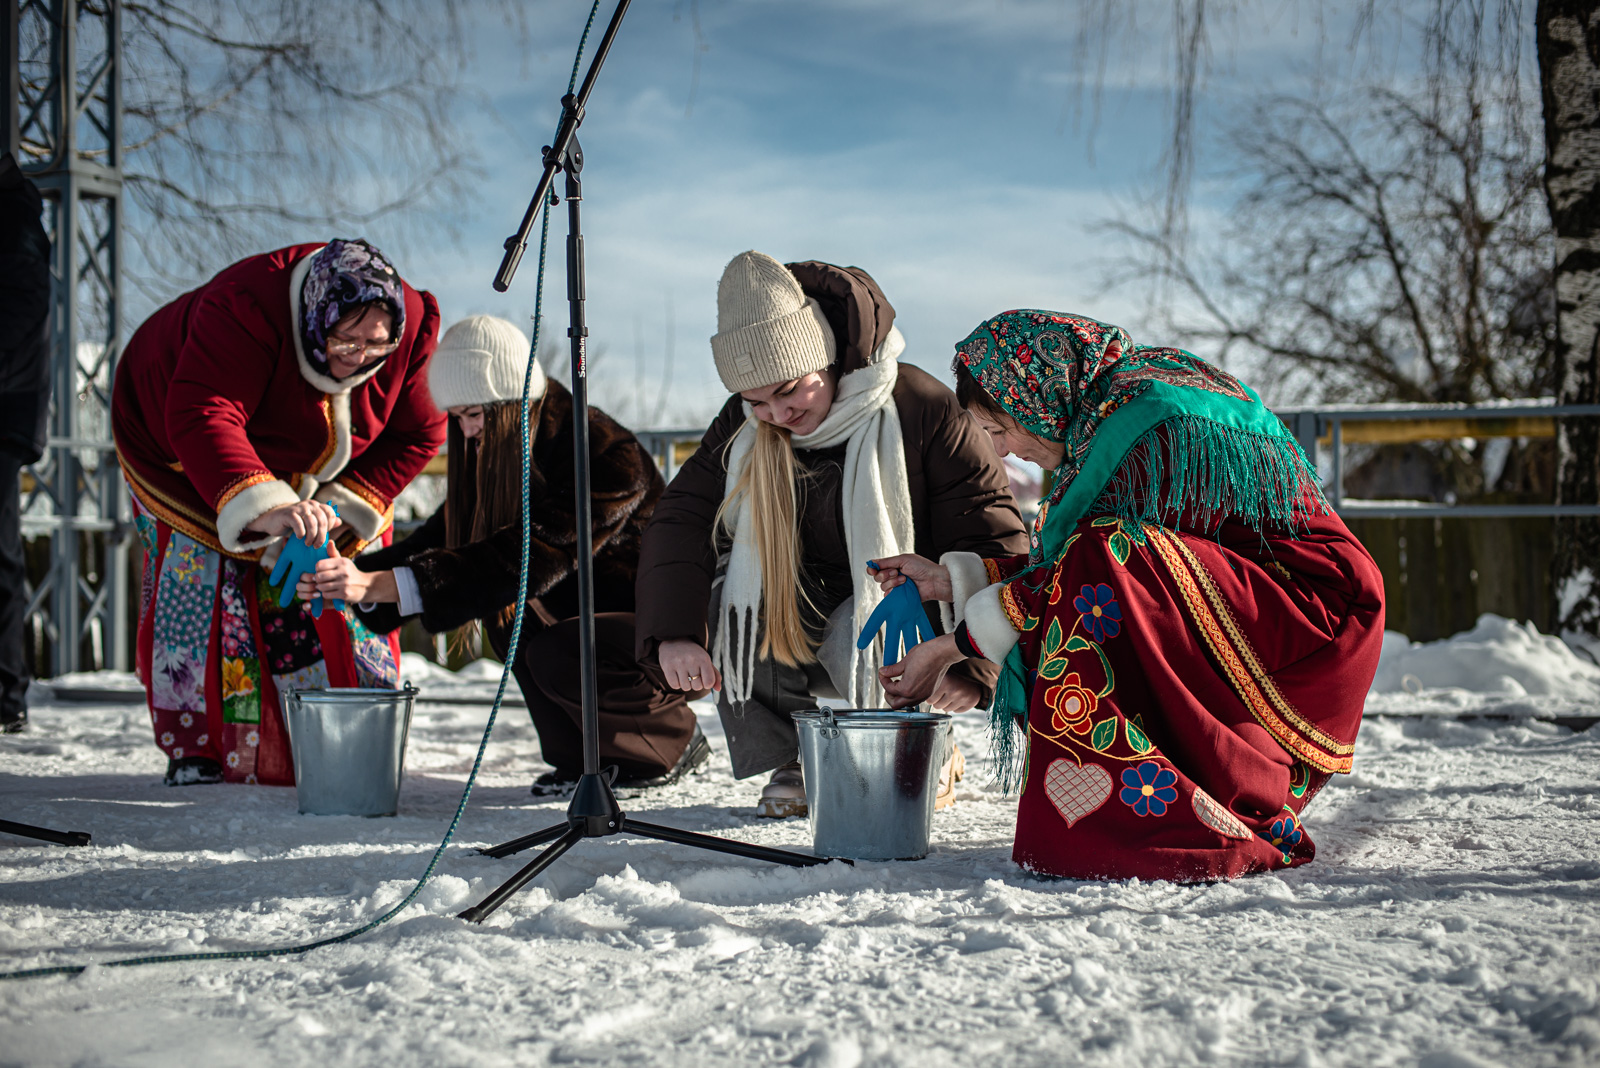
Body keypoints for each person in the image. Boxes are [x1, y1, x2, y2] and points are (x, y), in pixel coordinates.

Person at [872, 310, 1385, 881]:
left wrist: (951, 647)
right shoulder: (1114, 407)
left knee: (1104, 553)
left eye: (999, 429)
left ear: (1036, 399)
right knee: (1100, 564)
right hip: (1262, 594)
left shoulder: (1140, 427)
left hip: (1310, 604)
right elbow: (1077, 573)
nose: (1001, 452)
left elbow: (1098, 566)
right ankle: (1180, 793)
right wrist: (950, 580)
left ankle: (1171, 812)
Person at [634, 252, 1029, 817]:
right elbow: (682, 519)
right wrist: (673, 633)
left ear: (825, 358)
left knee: (875, 611)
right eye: (756, 401)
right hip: (799, 612)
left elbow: (990, 534)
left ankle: (922, 741)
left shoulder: (922, 407)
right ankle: (795, 757)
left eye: (789, 389)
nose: (777, 414)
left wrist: (971, 666)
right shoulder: (742, 425)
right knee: (737, 600)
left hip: (901, 612)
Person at [307, 315, 707, 792]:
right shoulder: (503, 460)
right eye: (457, 418)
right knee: (512, 623)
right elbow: (439, 540)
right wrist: (349, 575)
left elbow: (533, 553)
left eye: (474, 414)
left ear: (511, 403)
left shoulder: (602, 454)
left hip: (666, 637)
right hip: (593, 630)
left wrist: (381, 585)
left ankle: (669, 743)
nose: (467, 431)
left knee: (557, 645)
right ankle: (580, 758)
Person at [111, 239, 446, 785]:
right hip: (184, 451)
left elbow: (420, 431)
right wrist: (267, 511)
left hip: (325, 468)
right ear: (316, 318)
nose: (359, 357)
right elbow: (204, 413)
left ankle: (341, 734)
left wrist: (337, 510)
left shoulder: (411, 328)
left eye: (375, 344)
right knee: (198, 580)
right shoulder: (243, 307)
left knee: (334, 581)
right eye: (345, 339)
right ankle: (196, 744)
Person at [0, 153, 51, 734]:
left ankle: (6, 695)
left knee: (0, 551)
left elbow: (16, 314)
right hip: (12, 403)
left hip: (6, 407)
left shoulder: (13, 219)